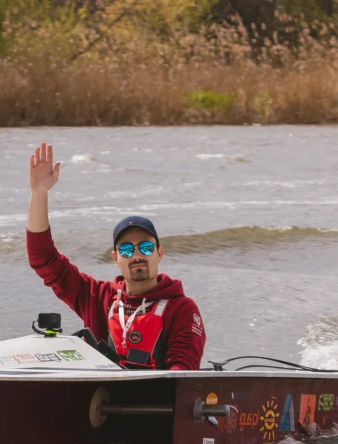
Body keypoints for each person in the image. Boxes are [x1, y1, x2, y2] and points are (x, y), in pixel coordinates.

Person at [25, 142, 206, 370]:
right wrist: (39, 193)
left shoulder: (182, 309)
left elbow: (183, 372)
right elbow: (42, 259)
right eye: (127, 250)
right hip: (100, 391)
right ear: (115, 258)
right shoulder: (97, 297)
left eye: (146, 248)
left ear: (159, 253)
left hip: (157, 393)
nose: (137, 255)